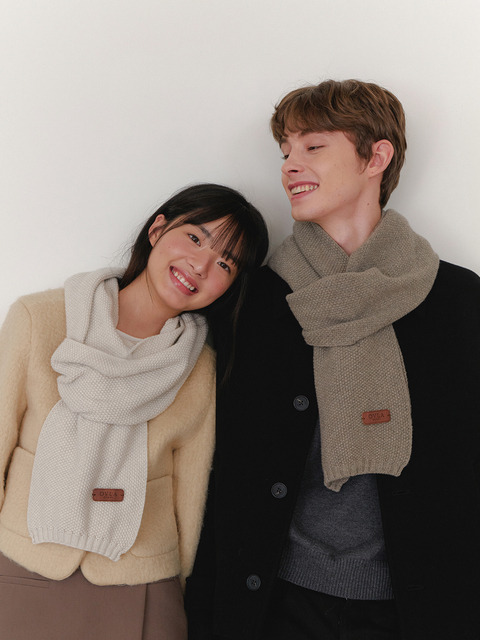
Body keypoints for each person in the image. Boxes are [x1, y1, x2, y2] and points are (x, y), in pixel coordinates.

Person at [185, 81, 480, 639]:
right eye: (285, 152)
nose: (289, 166)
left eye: (313, 146)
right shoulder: (254, 301)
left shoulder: (459, 303)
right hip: (273, 603)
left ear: (377, 157)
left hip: (417, 607)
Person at [0, 183, 268, 640]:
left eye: (225, 263)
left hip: (142, 579)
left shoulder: (202, 365)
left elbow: (191, 488)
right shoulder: (39, 320)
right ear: (157, 229)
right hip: (25, 566)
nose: (200, 265)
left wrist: (178, 582)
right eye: (195, 238)